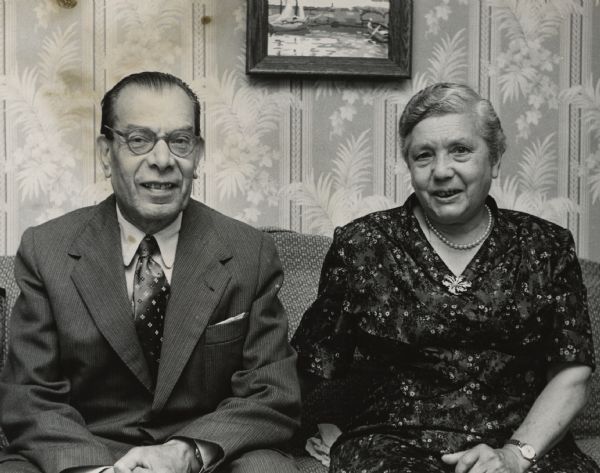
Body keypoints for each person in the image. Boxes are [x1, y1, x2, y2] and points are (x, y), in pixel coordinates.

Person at [0, 71, 301, 473]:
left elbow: (271, 392)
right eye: (139, 140)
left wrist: (186, 453)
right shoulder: (47, 250)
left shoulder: (250, 252)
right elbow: (31, 396)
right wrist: (97, 470)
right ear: (106, 153)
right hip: (91, 452)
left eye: (179, 141)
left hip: (204, 454)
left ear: (197, 154)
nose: (162, 161)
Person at [292, 82, 599, 473]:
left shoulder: (545, 247)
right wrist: (311, 426)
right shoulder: (365, 245)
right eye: (424, 156)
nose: (441, 171)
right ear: (410, 167)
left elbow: (572, 371)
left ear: (495, 159)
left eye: (460, 150)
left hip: (520, 443)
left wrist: (515, 454)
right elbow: (311, 360)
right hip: (393, 445)